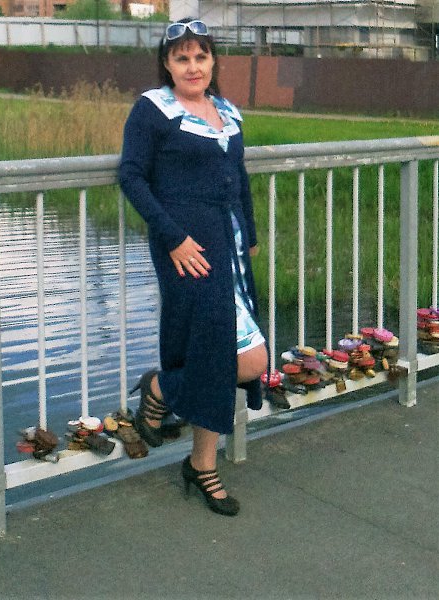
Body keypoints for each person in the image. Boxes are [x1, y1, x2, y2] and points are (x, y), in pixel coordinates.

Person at [118, 18, 268, 517]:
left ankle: (199, 459)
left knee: (227, 355)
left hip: (229, 250)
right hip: (187, 253)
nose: (192, 66)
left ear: (212, 61)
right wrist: (174, 238)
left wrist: (249, 235)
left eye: (200, 56)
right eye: (181, 58)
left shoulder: (227, 112)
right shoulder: (152, 109)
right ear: (167, 63)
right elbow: (132, 177)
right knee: (236, 358)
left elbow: (238, 178)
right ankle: (161, 389)